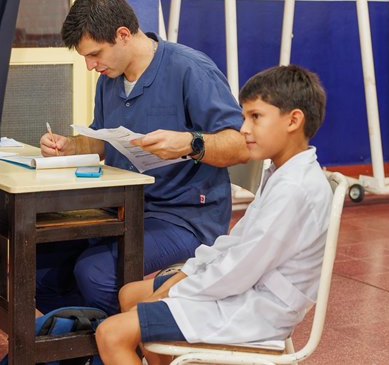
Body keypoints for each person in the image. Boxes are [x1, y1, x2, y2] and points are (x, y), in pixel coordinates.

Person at [94, 64, 332, 365]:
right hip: (246, 290)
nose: (244, 129)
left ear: (293, 120)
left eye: (255, 117)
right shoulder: (283, 172)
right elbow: (237, 242)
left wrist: (175, 292)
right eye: (244, 117)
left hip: (257, 310)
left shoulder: (293, 188)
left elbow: (240, 268)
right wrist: (185, 274)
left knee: (111, 334)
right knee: (131, 294)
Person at [39, 0, 249, 316]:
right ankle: (93, 332)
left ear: (123, 35)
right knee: (42, 265)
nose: (91, 66)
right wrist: (70, 146)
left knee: (94, 272)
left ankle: (132, 335)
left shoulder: (190, 69)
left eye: (95, 54)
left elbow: (240, 145)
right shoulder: (109, 80)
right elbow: (103, 141)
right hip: (124, 210)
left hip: (185, 218)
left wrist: (191, 143)